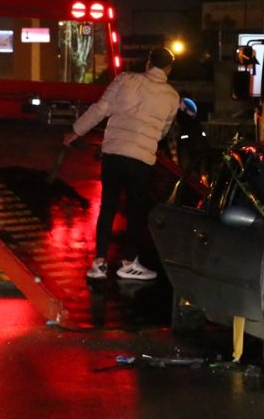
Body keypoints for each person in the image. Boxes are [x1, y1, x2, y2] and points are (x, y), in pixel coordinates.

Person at [64, 47, 180, 280]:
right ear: (168, 68)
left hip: (114, 153)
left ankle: (99, 262)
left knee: (108, 206)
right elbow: (164, 130)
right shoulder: (172, 96)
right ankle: (128, 263)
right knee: (136, 210)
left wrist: (76, 132)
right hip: (141, 158)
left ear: (148, 63)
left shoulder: (124, 79)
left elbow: (100, 109)